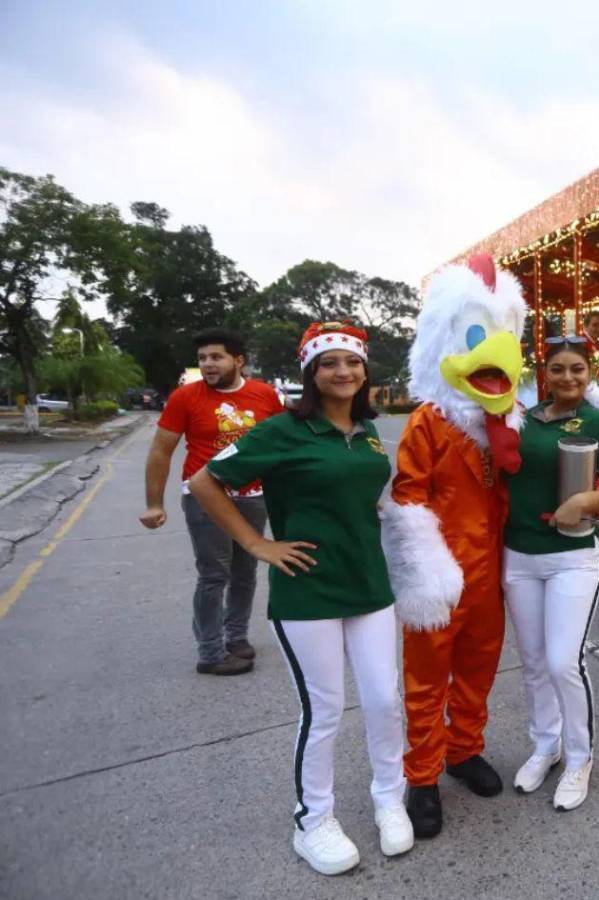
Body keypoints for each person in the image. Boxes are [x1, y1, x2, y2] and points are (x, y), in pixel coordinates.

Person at [189, 321, 412, 875]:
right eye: (330, 363)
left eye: (353, 362)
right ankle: (313, 820)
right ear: (312, 372)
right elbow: (203, 481)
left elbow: (359, 495)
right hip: (307, 589)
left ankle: (390, 797)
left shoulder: (364, 430)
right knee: (325, 710)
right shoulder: (283, 430)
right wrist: (255, 542)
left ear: (365, 371)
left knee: (385, 699)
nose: (344, 372)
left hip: (369, 584)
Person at [380, 254, 526, 840]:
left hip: (490, 574)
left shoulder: (511, 422)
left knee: (479, 668)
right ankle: (421, 775)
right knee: (426, 678)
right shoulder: (429, 424)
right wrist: (423, 574)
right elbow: (407, 499)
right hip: (441, 575)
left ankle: (464, 750)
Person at [503, 336, 599, 811]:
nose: (568, 378)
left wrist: (583, 501)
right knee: (535, 663)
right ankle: (546, 745)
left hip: (573, 556)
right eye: (558, 369)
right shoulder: (521, 419)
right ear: (545, 372)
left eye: (577, 369)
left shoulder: (597, 420)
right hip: (518, 557)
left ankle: (579, 757)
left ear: (589, 373)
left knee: (564, 661)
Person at [140, 328, 284, 675]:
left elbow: (282, 446)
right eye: (203, 358)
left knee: (246, 571)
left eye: (216, 357)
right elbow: (161, 451)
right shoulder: (185, 398)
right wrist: (154, 503)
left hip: (253, 496)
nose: (207, 364)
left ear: (238, 361)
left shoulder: (264, 395)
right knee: (213, 574)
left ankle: (236, 636)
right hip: (205, 497)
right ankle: (210, 651)